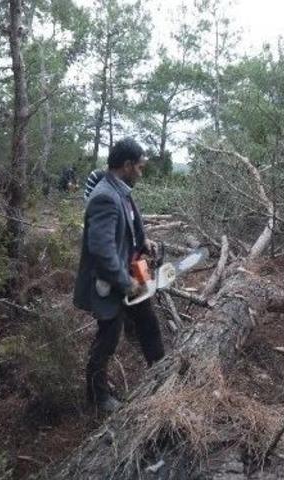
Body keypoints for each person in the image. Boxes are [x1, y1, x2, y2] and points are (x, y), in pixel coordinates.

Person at [73, 138, 163, 412]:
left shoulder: (120, 190)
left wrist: (143, 242)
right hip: (113, 282)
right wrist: (126, 284)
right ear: (126, 165)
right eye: (139, 167)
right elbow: (101, 250)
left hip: (130, 274)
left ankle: (163, 376)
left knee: (148, 325)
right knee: (108, 338)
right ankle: (97, 397)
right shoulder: (104, 196)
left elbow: (130, 222)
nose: (141, 172)